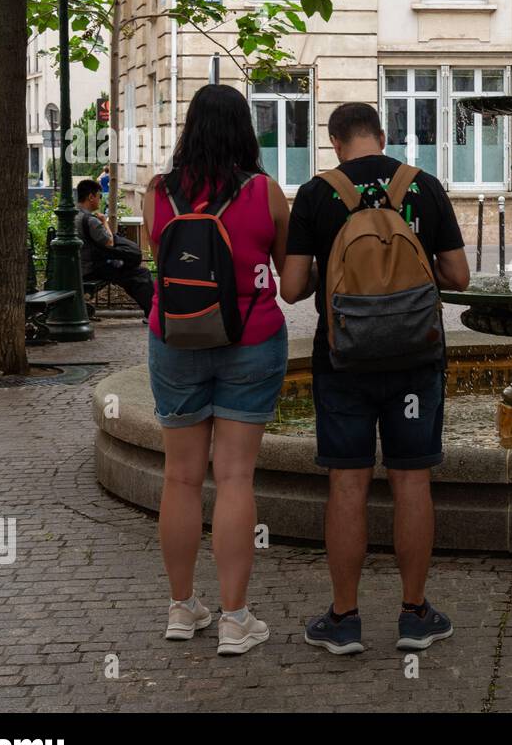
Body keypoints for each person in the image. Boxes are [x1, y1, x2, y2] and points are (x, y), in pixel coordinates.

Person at [281, 102, 470, 656]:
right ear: (383, 137)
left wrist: (327, 265)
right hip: (415, 359)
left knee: (347, 483)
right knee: (412, 481)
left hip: (343, 362)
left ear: (335, 141)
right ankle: (415, 616)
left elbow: (292, 289)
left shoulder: (317, 194)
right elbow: (458, 275)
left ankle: (344, 619)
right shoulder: (423, 186)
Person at [141, 84, 291, 656]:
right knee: (234, 478)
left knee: (180, 478)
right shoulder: (264, 191)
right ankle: (234, 619)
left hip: (174, 338)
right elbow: (288, 274)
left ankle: (182, 608)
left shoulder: (160, 193)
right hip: (251, 339)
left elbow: (162, 255)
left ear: (190, 128)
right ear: (244, 129)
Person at [75, 179, 154, 318]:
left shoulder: (73, 215)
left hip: (80, 266)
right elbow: (109, 242)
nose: (100, 200)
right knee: (140, 274)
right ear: (91, 197)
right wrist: (104, 222)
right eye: (99, 196)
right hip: (92, 268)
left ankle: (152, 311)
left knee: (131, 275)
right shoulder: (90, 220)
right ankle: (154, 313)